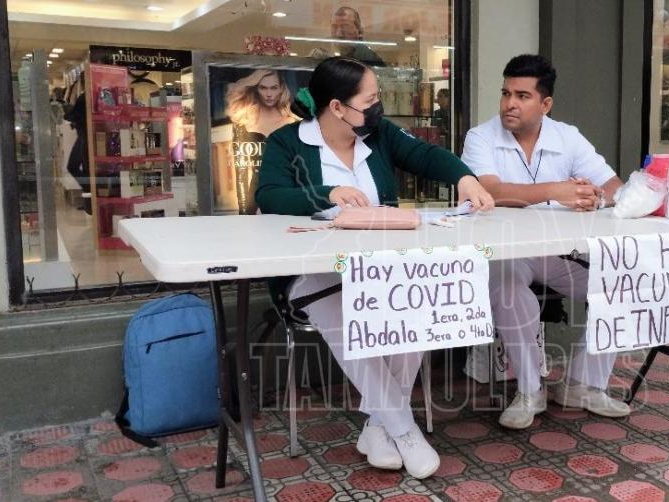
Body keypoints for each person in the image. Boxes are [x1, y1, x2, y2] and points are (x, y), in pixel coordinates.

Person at [256, 57, 494, 479]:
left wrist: (465, 178)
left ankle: (378, 425)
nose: (378, 107)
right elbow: (271, 195)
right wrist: (329, 194)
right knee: (340, 311)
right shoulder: (287, 143)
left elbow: (424, 154)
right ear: (337, 107)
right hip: (312, 273)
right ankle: (404, 429)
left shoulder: (378, 135)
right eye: (370, 101)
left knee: (418, 311)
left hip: (380, 268)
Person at [461, 54, 628, 430]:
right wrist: (557, 190)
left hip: (560, 253)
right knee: (506, 284)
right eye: (506, 93)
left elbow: (614, 186)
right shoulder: (481, 137)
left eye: (522, 96)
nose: (510, 104)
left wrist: (595, 197)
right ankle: (530, 389)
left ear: (545, 104)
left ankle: (581, 385)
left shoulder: (567, 136)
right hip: (507, 252)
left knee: (621, 283)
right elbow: (489, 191)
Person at [225, 69, 298, 214]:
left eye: (274, 88)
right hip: (252, 197)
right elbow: (241, 172)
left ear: (281, 89)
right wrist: (244, 211)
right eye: (263, 88)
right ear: (256, 89)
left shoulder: (293, 122)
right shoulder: (242, 122)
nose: (269, 94)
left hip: (285, 195)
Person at [308, 6, 385, 67]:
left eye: (345, 27)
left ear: (360, 32)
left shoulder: (368, 59)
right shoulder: (328, 48)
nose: (339, 34)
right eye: (334, 27)